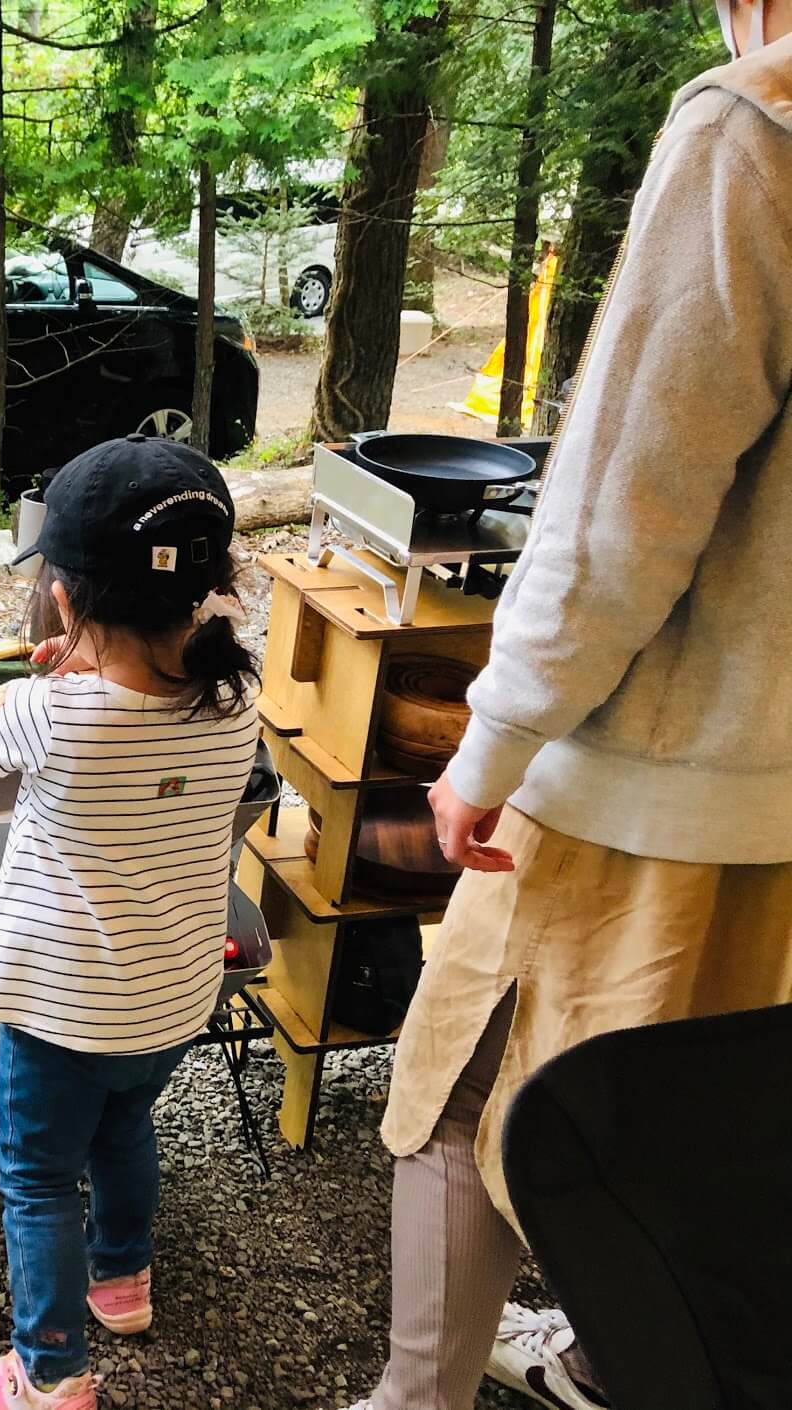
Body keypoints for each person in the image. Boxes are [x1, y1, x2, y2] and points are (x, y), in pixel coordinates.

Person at [343, 10, 792, 1410]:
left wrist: (491, 741)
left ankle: (419, 1398)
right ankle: (612, 1360)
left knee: (465, 1083)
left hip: (654, 772)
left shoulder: (755, 126)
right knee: (718, 1118)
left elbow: (620, 505)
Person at [0, 436, 260, 1410]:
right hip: (169, 998)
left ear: (63, 597)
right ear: (205, 585)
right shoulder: (236, 696)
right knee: (123, 1132)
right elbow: (138, 696)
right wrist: (72, 666)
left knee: (34, 1178)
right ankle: (122, 1284)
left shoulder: (51, 716)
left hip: (61, 1010)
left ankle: (48, 1375)